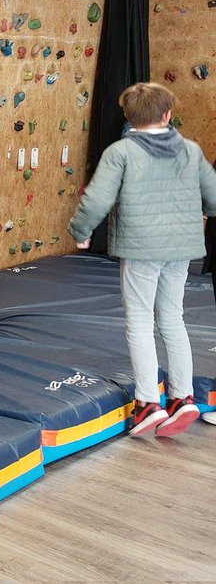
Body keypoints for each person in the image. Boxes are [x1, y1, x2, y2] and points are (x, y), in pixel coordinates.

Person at [68, 82, 216, 437]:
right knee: (172, 318)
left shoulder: (121, 152)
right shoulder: (191, 151)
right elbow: (212, 196)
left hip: (142, 248)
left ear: (129, 117)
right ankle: (182, 398)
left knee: (138, 321)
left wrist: (80, 231)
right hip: (180, 249)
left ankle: (148, 402)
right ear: (168, 115)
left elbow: (97, 199)